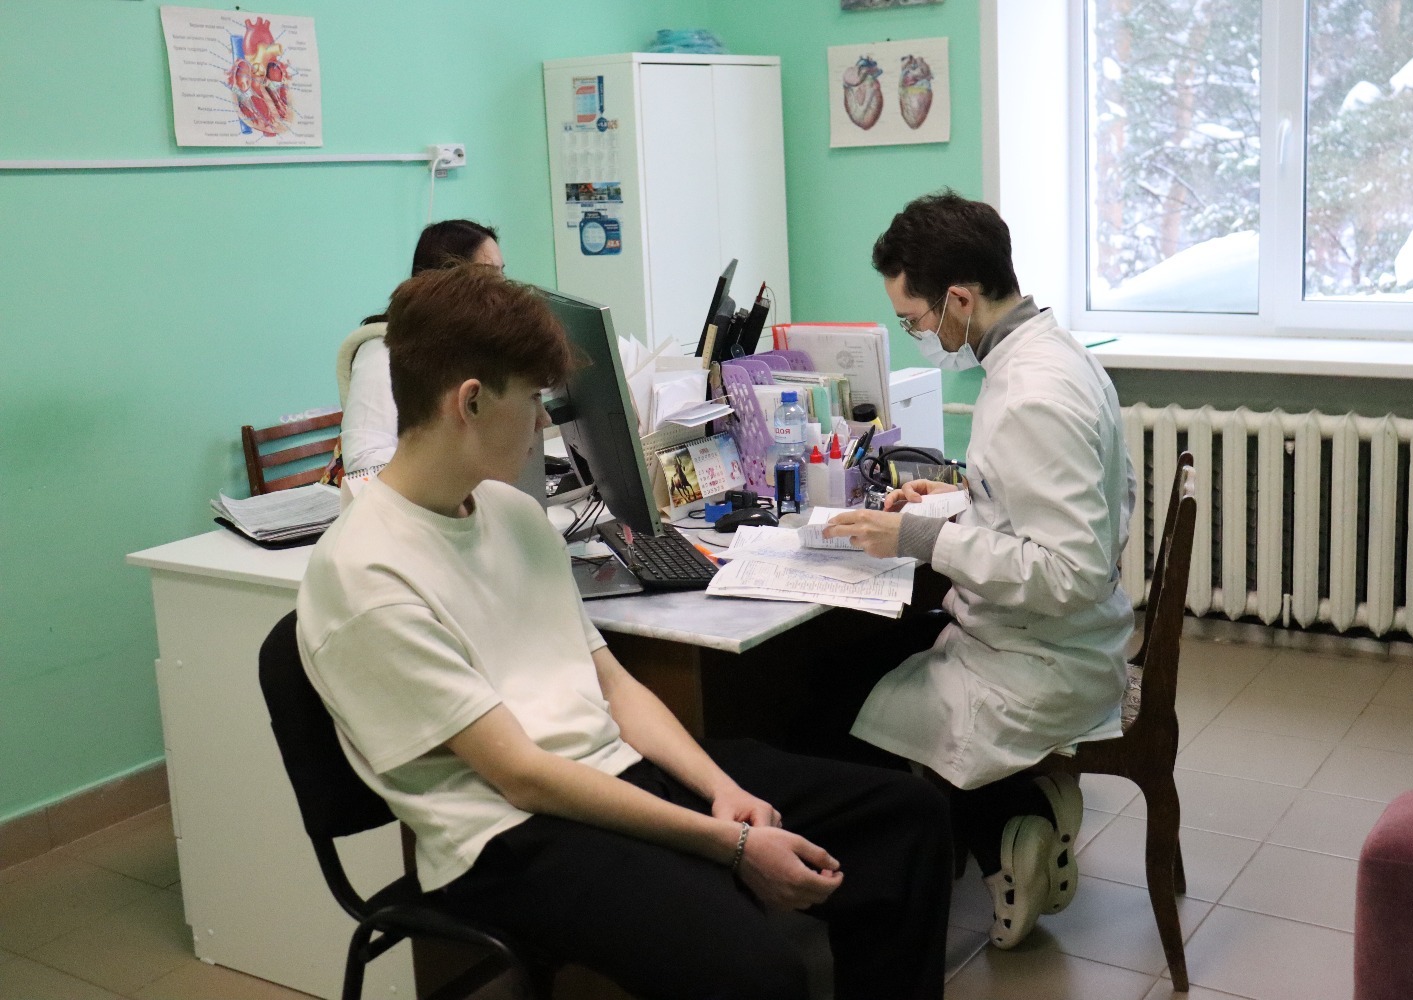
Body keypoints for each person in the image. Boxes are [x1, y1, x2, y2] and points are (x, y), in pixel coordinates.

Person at [297, 263, 953, 1000]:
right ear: (470, 402)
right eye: (534, 400)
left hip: (612, 771)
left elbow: (611, 683)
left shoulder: (512, 515)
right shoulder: (367, 575)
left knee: (905, 821)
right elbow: (521, 775)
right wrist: (734, 843)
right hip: (506, 834)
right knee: (758, 973)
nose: (544, 424)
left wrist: (721, 791)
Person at [821, 190, 1136, 950]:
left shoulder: (1033, 394)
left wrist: (920, 538)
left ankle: (994, 835)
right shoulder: (1049, 354)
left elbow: (1069, 570)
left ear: (960, 298)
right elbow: (1059, 502)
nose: (921, 335)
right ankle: (1018, 815)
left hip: (1045, 658)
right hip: (1054, 636)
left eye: (917, 320)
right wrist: (957, 499)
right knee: (875, 656)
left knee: (836, 701)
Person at [335, 219, 505, 476]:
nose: (503, 288)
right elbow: (364, 461)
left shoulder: (471, 344)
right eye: (489, 274)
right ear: (447, 280)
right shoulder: (383, 352)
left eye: (502, 273)